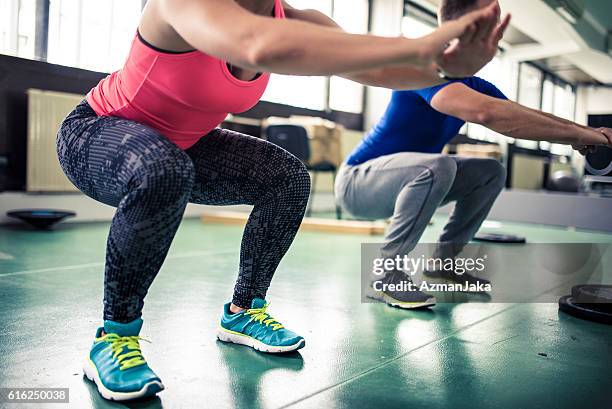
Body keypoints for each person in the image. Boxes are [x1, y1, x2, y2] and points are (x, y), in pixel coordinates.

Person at [56, 0, 509, 401]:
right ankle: (114, 337)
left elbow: (376, 69)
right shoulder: (183, 4)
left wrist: (449, 66)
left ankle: (243, 311)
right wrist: (428, 43)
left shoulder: (294, 19)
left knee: (288, 178)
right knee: (164, 170)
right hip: (96, 133)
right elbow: (256, 44)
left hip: (183, 145)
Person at [335, 0, 612, 310]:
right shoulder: (420, 69)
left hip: (404, 179)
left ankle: (443, 262)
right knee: (437, 166)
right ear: (468, 33)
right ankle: (386, 275)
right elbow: (486, 113)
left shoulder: (473, 85)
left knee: (490, 171)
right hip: (356, 182)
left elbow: (516, 115)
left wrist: (586, 133)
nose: (493, 46)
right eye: (490, 35)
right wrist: (584, 135)